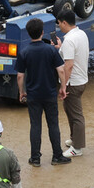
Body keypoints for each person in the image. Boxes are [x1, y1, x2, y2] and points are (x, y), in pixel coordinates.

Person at [16, 18, 71, 167]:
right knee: (53, 124)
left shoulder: (24, 52)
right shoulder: (51, 50)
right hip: (49, 93)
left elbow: (20, 75)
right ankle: (57, 156)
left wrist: (22, 92)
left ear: (29, 34)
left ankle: (35, 158)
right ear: (42, 32)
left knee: (35, 126)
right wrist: (63, 88)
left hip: (33, 95)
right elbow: (60, 70)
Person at [57, 9, 89, 158]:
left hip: (73, 82)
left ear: (64, 22)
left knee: (76, 115)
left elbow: (68, 65)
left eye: (59, 24)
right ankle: (74, 139)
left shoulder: (69, 40)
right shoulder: (80, 34)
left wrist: (64, 85)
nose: (59, 27)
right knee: (70, 110)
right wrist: (60, 48)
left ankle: (77, 148)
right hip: (81, 79)